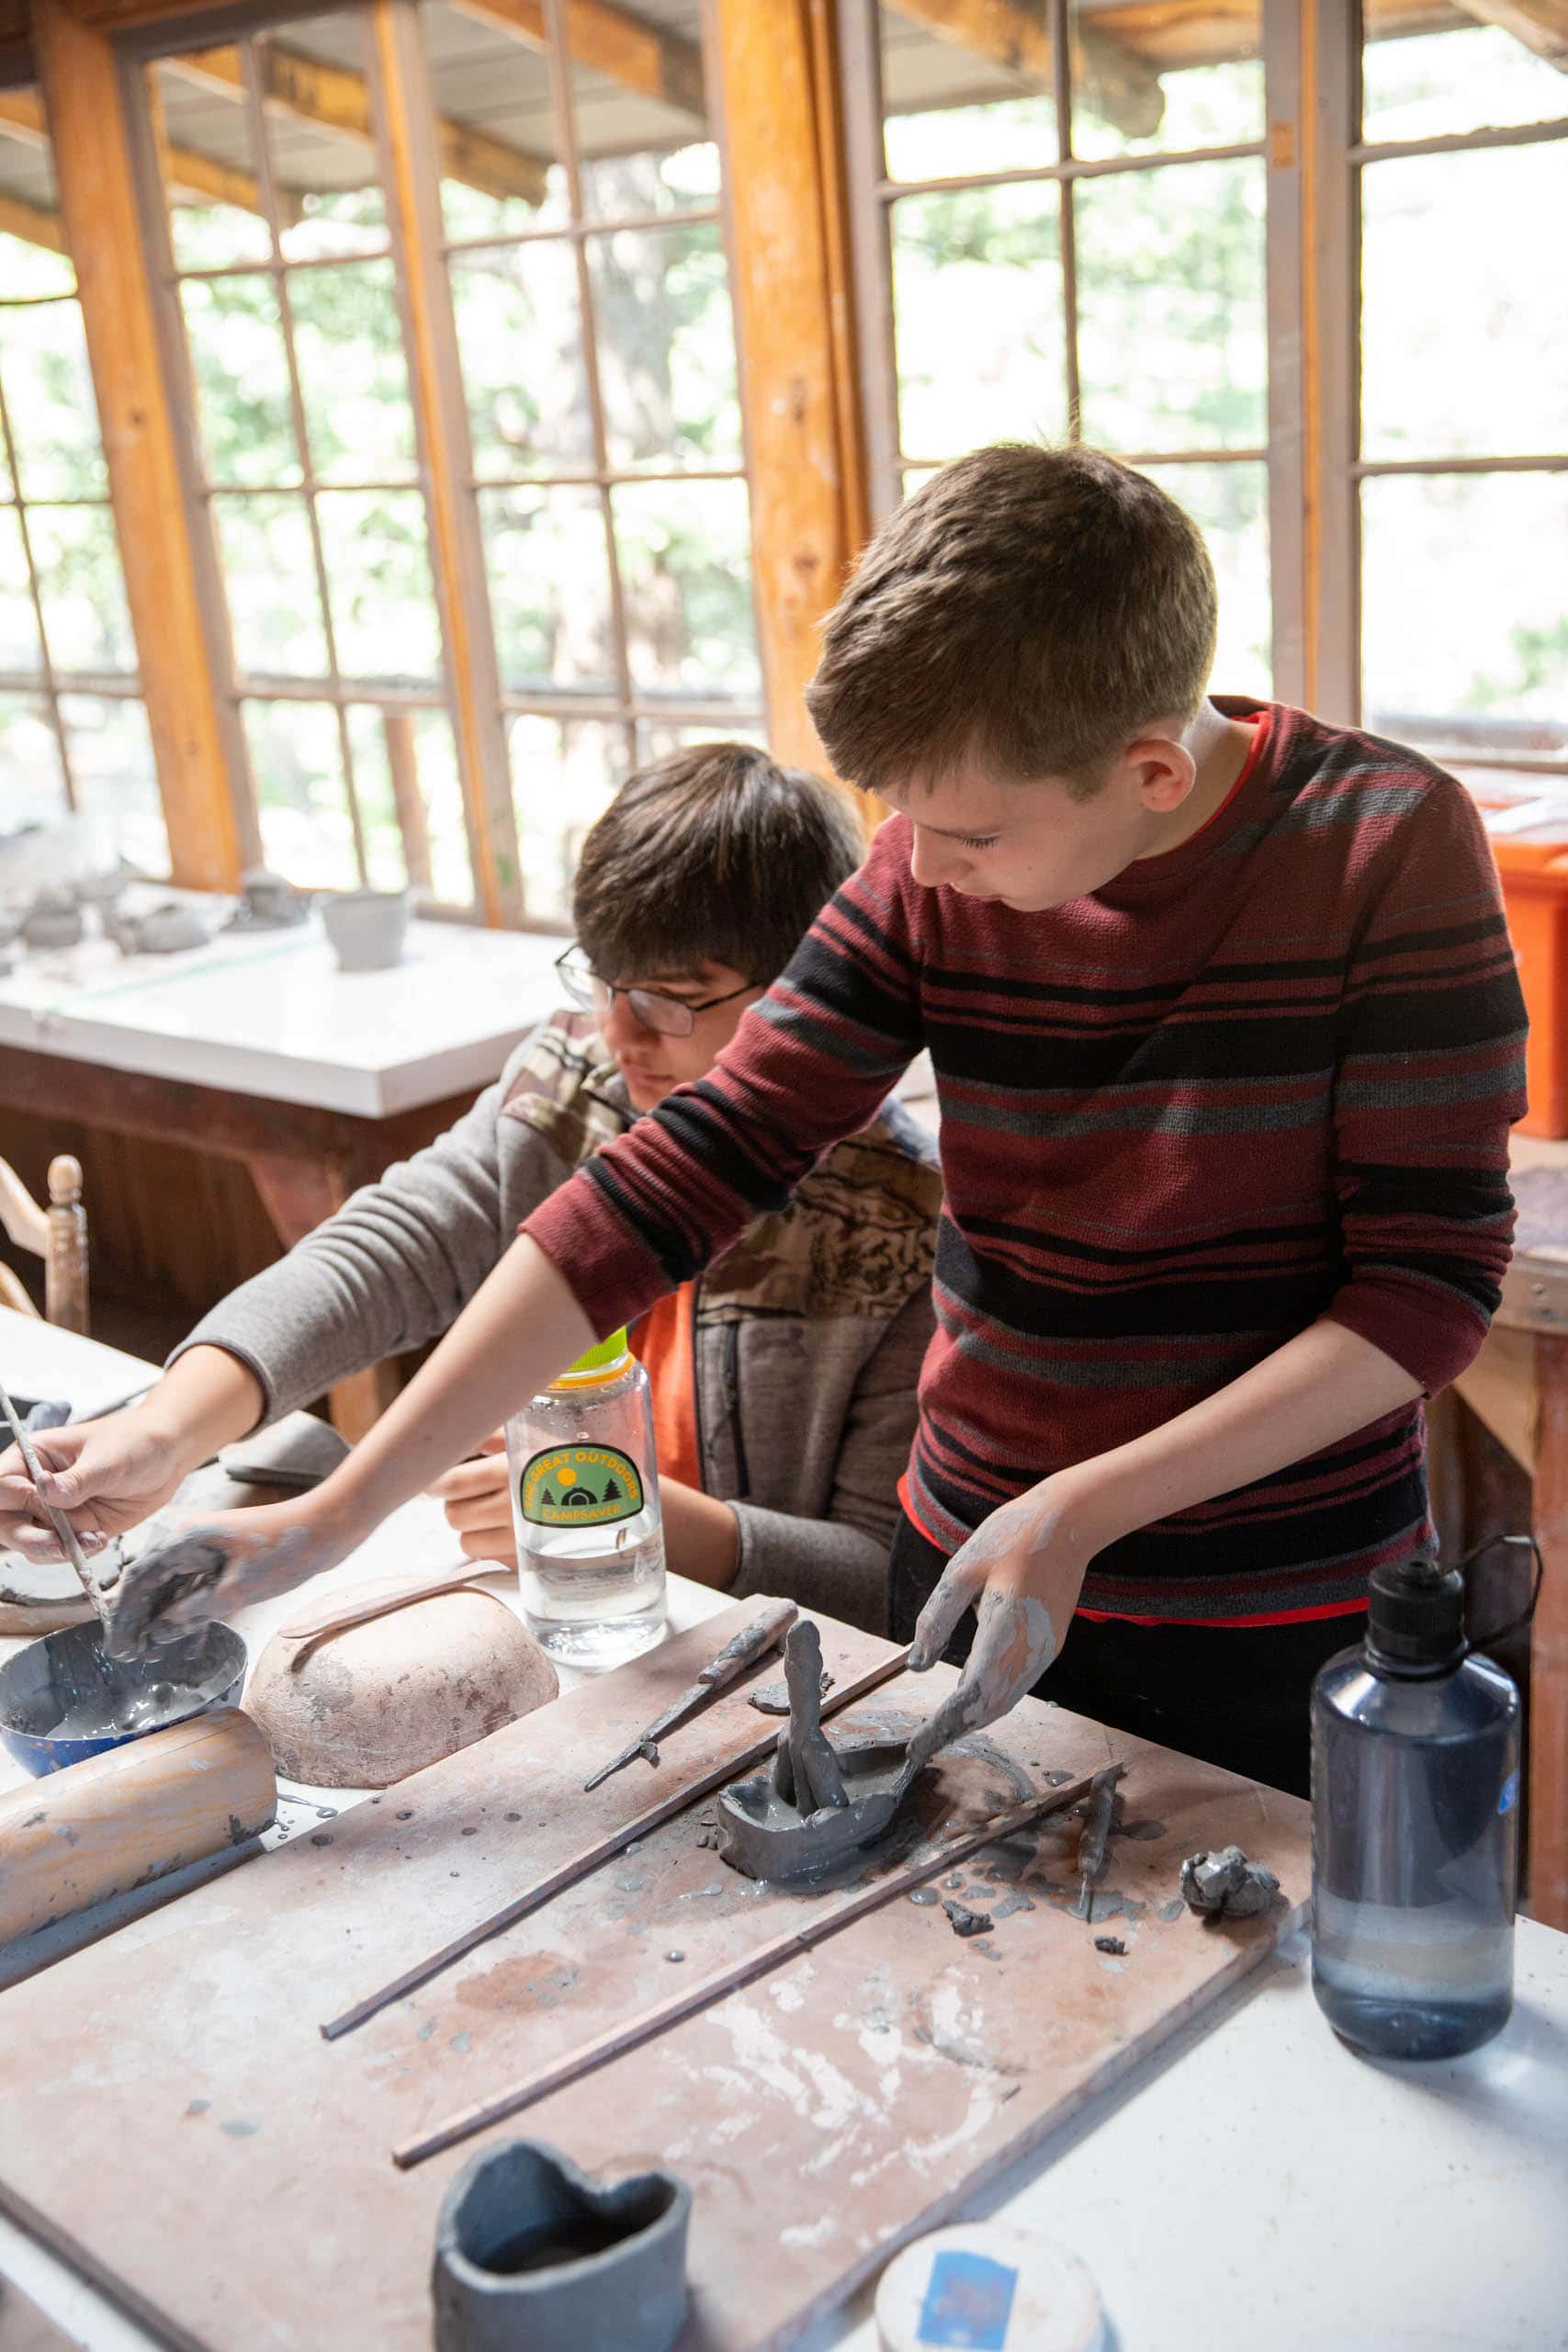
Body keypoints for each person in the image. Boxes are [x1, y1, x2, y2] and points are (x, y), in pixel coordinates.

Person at [15, 446, 1526, 1798]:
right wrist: (341, 1514)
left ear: (1144, 768)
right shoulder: (929, 864)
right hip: (968, 1553)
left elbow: (1421, 1293)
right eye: (905, 820)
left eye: (971, 832)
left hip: (1267, 1604)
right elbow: (671, 1178)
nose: (919, 866)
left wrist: (1082, 1508)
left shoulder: (1382, 850)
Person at [0, 743, 941, 1634]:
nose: (619, 1035)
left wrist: (639, 1509)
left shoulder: (902, 1221)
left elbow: (883, 1579)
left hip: (744, 1654)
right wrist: (164, 1429)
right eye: (601, 981)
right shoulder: (577, 1081)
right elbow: (383, 1254)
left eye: (664, 999)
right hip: (556, 1613)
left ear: (804, 992)